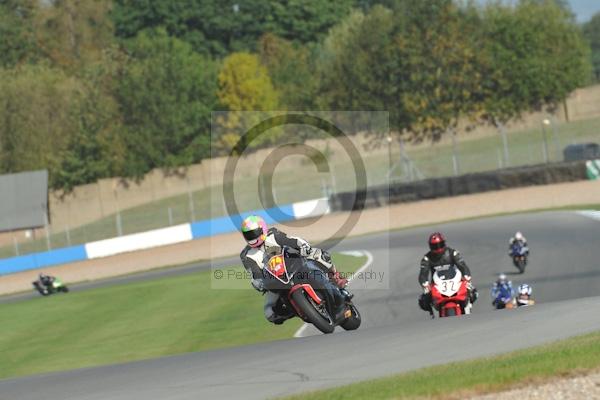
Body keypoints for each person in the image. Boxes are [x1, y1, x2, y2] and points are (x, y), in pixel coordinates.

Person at [239, 215, 348, 324]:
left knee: (318, 254)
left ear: (262, 229)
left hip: (294, 265)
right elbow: (254, 273)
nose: (252, 237)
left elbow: (291, 240)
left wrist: (303, 246)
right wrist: (258, 282)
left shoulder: (272, 235)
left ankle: (336, 277)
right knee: (269, 313)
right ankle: (298, 309)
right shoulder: (246, 255)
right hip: (275, 280)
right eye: (248, 235)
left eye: (254, 233)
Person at [418, 232, 477, 314]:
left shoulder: (452, 253)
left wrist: (466, 277)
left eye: (440, 245)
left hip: (454, 280)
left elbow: (462, 266)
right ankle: (432, 313)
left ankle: (468, 306)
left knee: (473, 291)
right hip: (437, 284)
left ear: (444, 243)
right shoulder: (427, 258)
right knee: (423, 300)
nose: (438, 248)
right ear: (430, 246)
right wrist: (425, 284)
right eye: (434, 246)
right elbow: (423, 274)